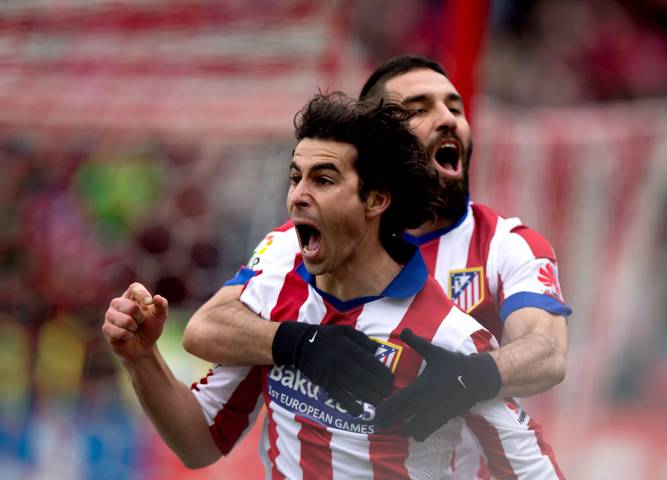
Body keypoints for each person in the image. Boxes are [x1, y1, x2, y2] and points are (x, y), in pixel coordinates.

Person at [102, 93, 563, 478]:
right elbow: (200, 441)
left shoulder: (448, 337)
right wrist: (141, 359)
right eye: (295, 177)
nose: (298, 195)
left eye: (323, 180)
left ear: (376, 199)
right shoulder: (276, 290)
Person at [182, 56, 570, 448]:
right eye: (418, 109)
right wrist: (300, 343)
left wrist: (471, 375)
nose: (448, 119)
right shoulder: (297, 242)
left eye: (455, 108)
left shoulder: (507, 244)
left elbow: (547, 351)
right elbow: (207, 326)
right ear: (382, 134)